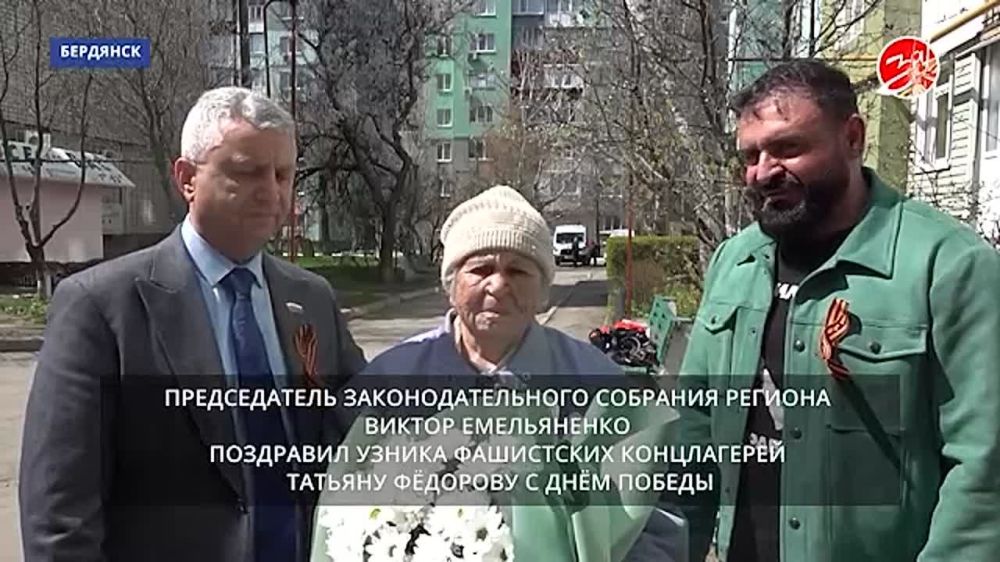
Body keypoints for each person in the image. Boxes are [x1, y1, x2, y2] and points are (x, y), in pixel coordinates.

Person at [19, 87, 367, 561]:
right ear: (186, 178)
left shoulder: (312, 299)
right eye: (247, 172)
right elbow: (59, 516)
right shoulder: (100, 308)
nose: (272, 192)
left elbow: (365, 429)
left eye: (283, 174)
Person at [672, 59, 1000, 562]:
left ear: (852, 138)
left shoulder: (949, 267)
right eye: (751, 155)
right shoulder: (733, 262)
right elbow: (693, 430)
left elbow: (983, 467)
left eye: (787, 148)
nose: (763, 172)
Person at [310, 185, 688, 562]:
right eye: (480, 269)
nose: (498, 285)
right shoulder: (388, 382)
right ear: (450, 284)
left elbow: (656, 523)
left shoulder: (598, 386)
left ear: (543, 290)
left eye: (518, 270)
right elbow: (340, 505)